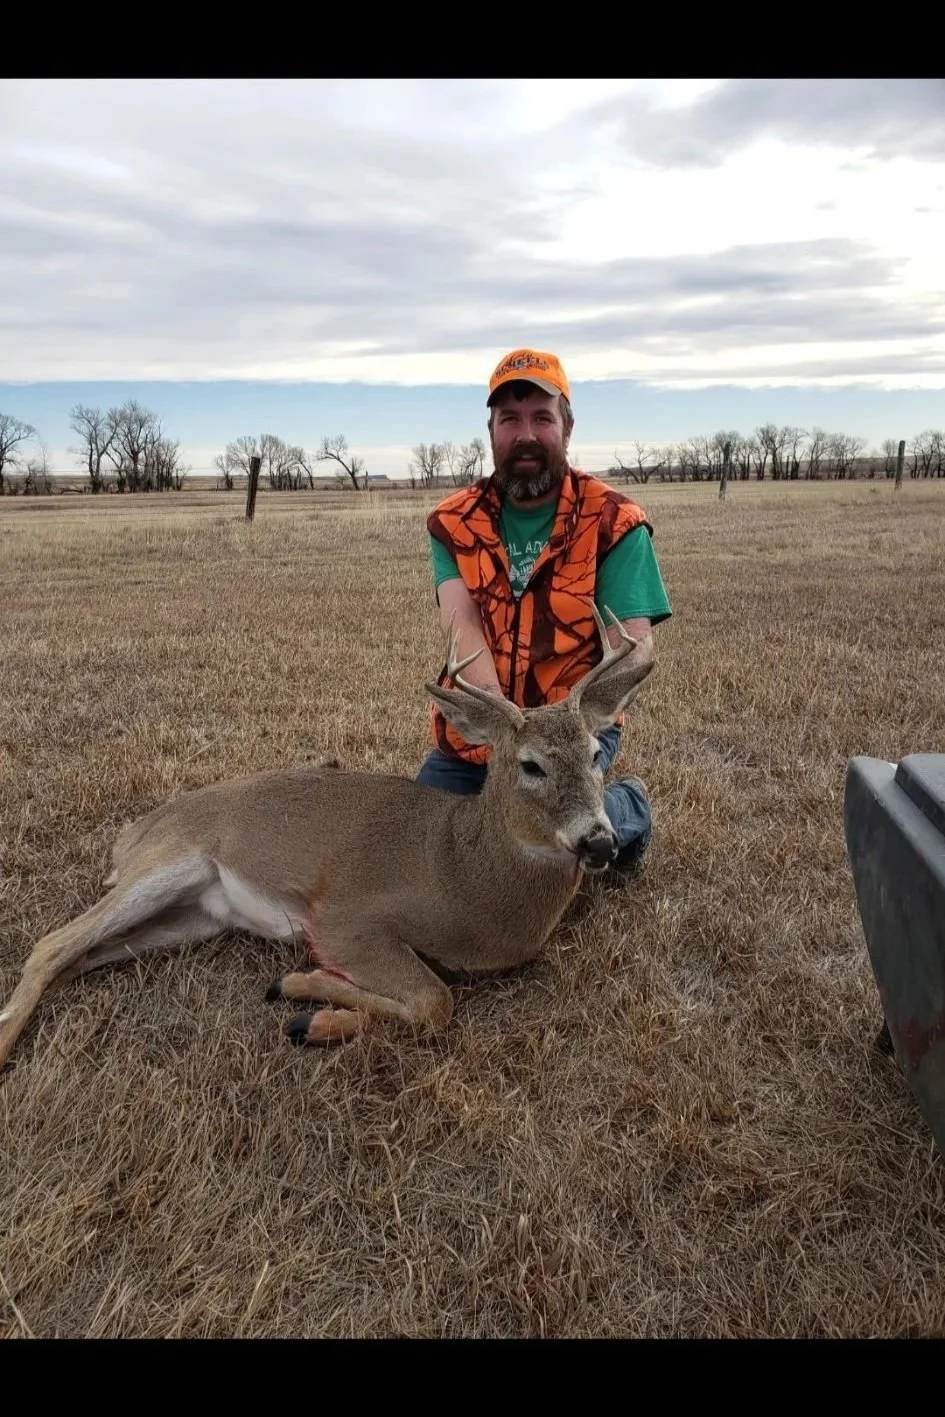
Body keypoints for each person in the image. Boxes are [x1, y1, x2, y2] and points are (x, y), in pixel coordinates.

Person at [417, 347, 672, 875]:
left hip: (572, 734)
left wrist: (566, 724)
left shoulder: (614, 521)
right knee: (426, 849)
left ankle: (628, 809)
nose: (525, 434)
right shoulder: (452, 522)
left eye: (541, 418)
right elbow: (461, 625)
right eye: (510, 419)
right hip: (493, 728)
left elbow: (634, 646)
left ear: (567, 428)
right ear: (491, 432)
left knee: (546, 857)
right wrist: (500, 719)